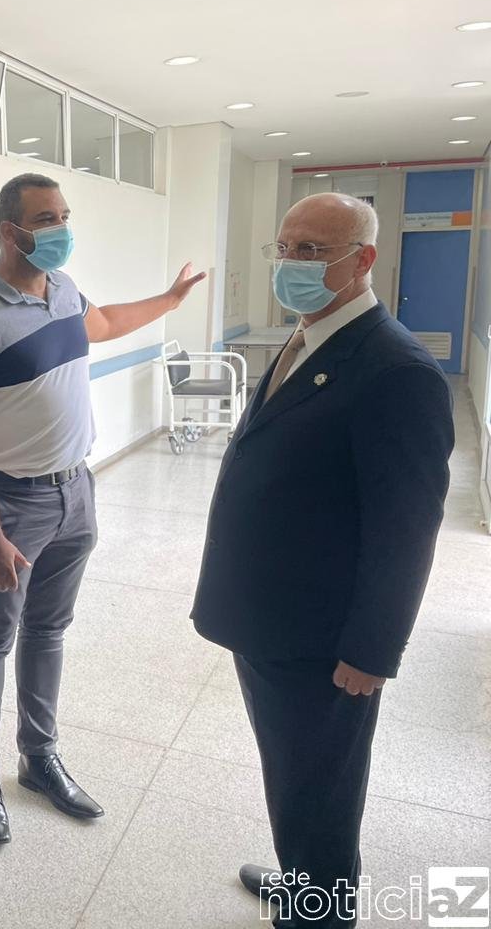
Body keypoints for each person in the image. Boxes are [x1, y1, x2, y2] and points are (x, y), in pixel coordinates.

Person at [191, 193, 454, 928]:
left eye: (311, 250)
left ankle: (320, 912)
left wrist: (372, 650)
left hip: (325, 641)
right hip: (272, 623)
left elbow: (407, 530)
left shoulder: (395, 369)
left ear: (362, 259)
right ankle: (302, 881)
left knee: (320, 789)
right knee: (292, 773)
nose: (291, 264)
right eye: (285, 247)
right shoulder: (310, 338)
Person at [0, 172, 204, 846]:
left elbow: (104, 322)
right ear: (10, 232)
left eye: (64, 215)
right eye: (46, 219)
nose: (61, 229)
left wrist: (170, 299)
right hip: (10, 504)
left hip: (75, 491)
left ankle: (39, 758)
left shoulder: (62, 289)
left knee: (49, 631)